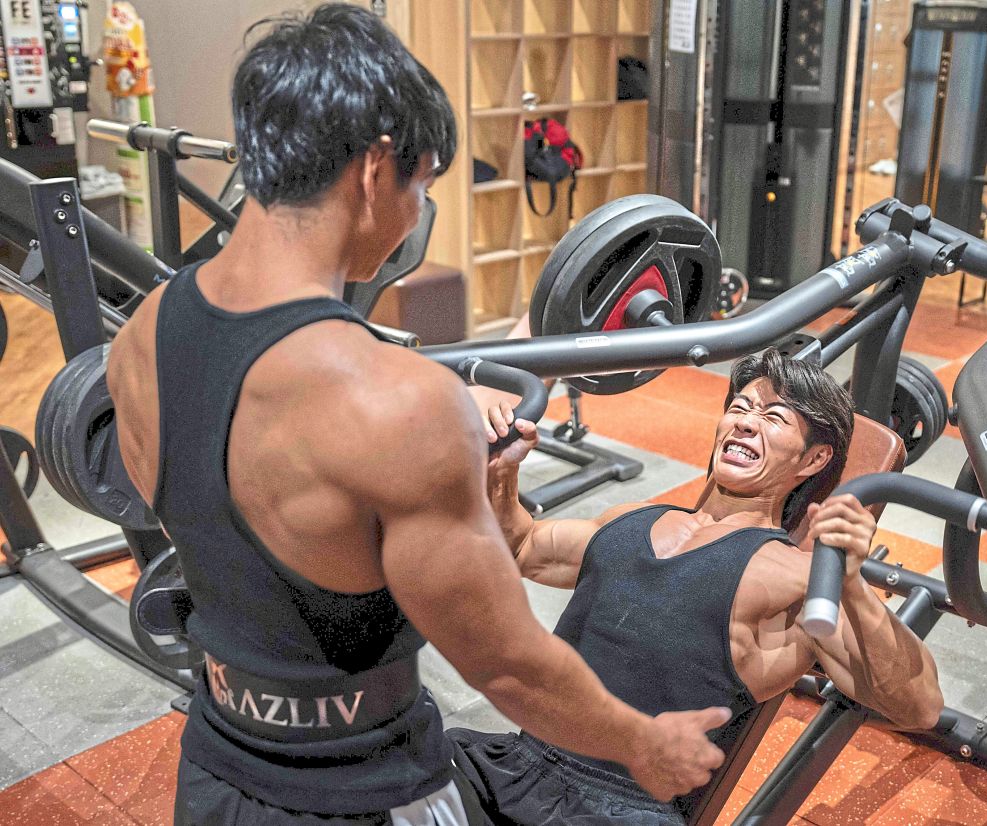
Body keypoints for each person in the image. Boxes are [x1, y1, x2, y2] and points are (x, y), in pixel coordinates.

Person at [107, 5, 727, 825]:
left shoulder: (143, 332)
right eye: (424, 184)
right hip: (367, 792)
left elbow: (243, 523)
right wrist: (644, 743)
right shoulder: (399, 402)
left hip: (216, 770)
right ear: (376, 168)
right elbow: (507, 666)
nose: (416, 213)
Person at [452, 348, 945, 824]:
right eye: (739, 407)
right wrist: (503, 471)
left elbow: (919, 706)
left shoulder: (794, 578)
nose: (745, 422)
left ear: (814, 459)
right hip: (512, 764)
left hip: (620, 808)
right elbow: (520, 548)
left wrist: (851, 584)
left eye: (773, 417)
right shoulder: (629, 520)